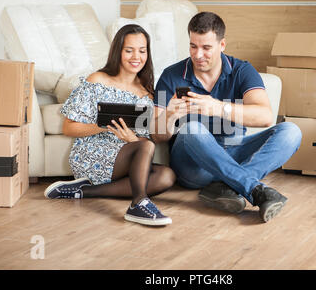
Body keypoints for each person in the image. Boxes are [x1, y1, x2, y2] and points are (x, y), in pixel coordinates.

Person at [150, 12, 302, 223]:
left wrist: (219, 108)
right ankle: (253, 188)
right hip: (194, 167)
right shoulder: (171, 75)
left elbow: (266, 116)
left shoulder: (242, 71)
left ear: (222, 45)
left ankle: (227, 186)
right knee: (192, 128)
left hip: (234, 152)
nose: (198, 54)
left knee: (291, 132)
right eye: (193, 46)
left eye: (206, 48)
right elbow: (157, 136)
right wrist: (168, 115)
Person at [44, 24, 175, 226]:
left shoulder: (148, 92)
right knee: (146, 146)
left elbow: (146, 139)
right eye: (129, 50)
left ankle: (83, 191)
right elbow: (68, 128)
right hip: (93, 155)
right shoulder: (98, 80)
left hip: (127, 157)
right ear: (118, 52)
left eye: (142, 51)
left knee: (166, 176)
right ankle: (138, 203)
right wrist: (105, 126)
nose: (136, 57)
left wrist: (133, 140)